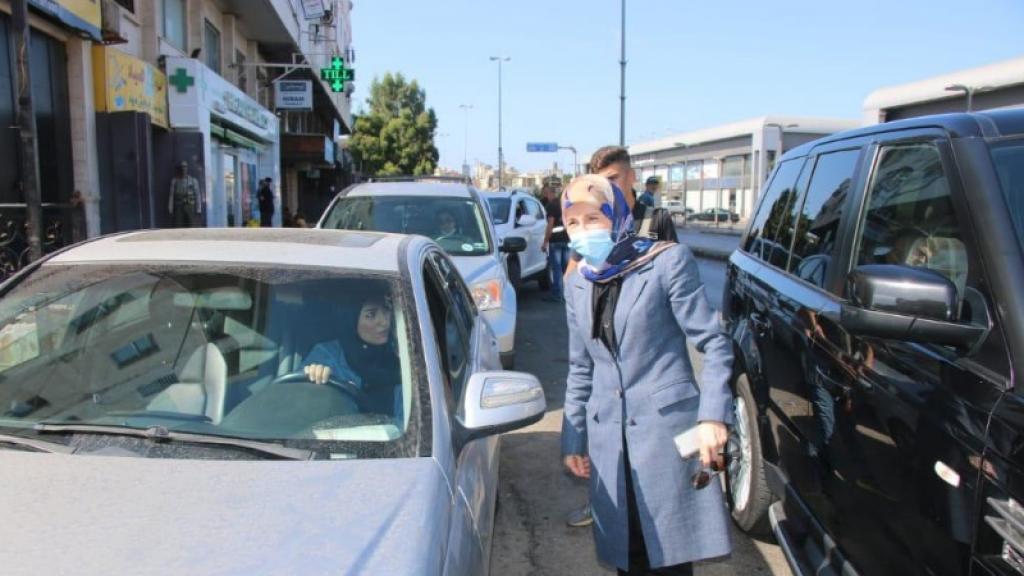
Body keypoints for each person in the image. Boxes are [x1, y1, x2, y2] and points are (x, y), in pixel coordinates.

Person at [560, 174, 733, 575]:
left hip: (666, 437)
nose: (583, 231)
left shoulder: (665, 262)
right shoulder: (577, 284)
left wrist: (712, 416)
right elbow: (580, 366)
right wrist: (574, 438)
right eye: (573, 222)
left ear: (617, 215)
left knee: (668, 557)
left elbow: (715, 343)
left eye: (593, 219)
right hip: (608, 445)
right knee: (627, 555)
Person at [565, 145, 679, 528]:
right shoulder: (591, 228)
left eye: (612, 179)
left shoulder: (655, 220)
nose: (605, 186)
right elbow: (580, 364)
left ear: (629, 177)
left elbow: (671, 283)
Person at [302, 292, 401, 416]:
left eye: (386, 309)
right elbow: (300, 399)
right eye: (371, 315)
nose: (384, 322)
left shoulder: (401, 353)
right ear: (350, 318)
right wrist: (314, 375)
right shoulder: (328, 353)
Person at [541, 184, 570, 302]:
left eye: (544, 194)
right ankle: (568, 294)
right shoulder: (564, 204)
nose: (544, 196)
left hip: (555, 241)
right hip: (567, 240)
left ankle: (557, 294)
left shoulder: (551, 206)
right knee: (566, 269)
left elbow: (550, 225)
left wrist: (545, 242)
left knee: (556, 269)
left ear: (548, 193)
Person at [169, 161, 202, 228]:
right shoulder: (175, 181)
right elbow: (171, 195)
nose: (183, 169)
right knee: (178, 225)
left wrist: (198, 208)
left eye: (185, 167)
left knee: (191, 225)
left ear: (187, 168)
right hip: (179, 206)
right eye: (182, 167)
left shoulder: (193, 180)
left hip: (190, 205)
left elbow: (197, 195)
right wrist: (170, 208)